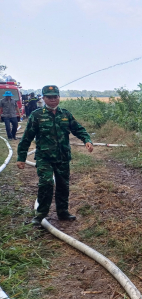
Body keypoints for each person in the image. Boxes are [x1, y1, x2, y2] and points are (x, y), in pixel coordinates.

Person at [16, 85, 94, 225]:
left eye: (55, 97)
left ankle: (63, 212)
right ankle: (40, 215)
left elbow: (79, 129)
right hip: (44, 157)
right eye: (49, 97)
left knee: (63, 185)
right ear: (44, 98)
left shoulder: (65, 114)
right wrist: (21, 157)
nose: (52, 100)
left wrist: (87, 140)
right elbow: (27, 137)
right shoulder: (37, 115)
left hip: (62, 157)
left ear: (59, 97)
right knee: (46, 183)